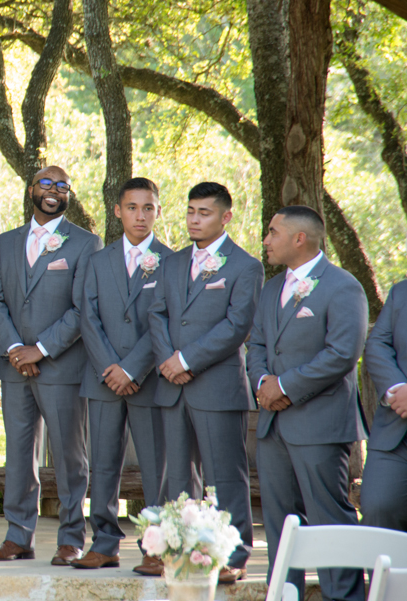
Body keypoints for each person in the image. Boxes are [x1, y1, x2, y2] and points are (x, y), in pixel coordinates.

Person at [0, 166, 102, 565]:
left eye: (62, 186)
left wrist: (41, 349)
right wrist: (16, 348)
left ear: (68, 194)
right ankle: (18, 536)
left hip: (62, 367)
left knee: (70, 457)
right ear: (31, 189)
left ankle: (71, 538)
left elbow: (83, 307)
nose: (53, 191)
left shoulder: (86, 244)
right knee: (19, 455)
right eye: (46, 184)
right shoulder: (6, 242)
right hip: (15, 368)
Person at [248, 205, 367, 600]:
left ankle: (344, 597)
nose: (265, 240)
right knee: (279, 524)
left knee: (328, 518)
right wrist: (263, 382)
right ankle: (283, 594)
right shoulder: (270, 288)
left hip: (319, 423)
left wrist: (284, 386)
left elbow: (341, 354)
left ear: (300, 238)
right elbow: (258, 345)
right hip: (272, 425)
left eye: (272, 233)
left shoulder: (343, 286)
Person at [147, 182, 262, 581]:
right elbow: (157, 314)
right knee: (178, 478)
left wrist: (186, 359)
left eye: (205, 213)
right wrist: (167, 360)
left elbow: (236, 326)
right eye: (191, 211)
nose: (195, 219)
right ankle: (183, 553)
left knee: (225, 476)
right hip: (171, 385)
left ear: (226, 216)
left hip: (216, 386)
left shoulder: (246, 266)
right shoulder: (173, 262)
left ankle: (234, 555)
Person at [75, 177, 171, 571]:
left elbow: (164, 322)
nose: (140, 215)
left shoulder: (172, 261)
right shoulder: (98, 261)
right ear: (117, 211)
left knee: (155, 466)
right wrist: (110, 368)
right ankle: (104, 542)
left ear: (158, 212)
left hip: (147, 380)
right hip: (103, 379)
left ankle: (156, 547)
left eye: (148, 208)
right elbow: (88, 316)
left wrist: (131, 367)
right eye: (132, 207)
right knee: (103, 463)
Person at [363, 277, 407, 534]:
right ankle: (385, 576)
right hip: (395, 433)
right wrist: (396, 389)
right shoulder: (400, 292)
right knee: (378, 506)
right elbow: (378, 344)